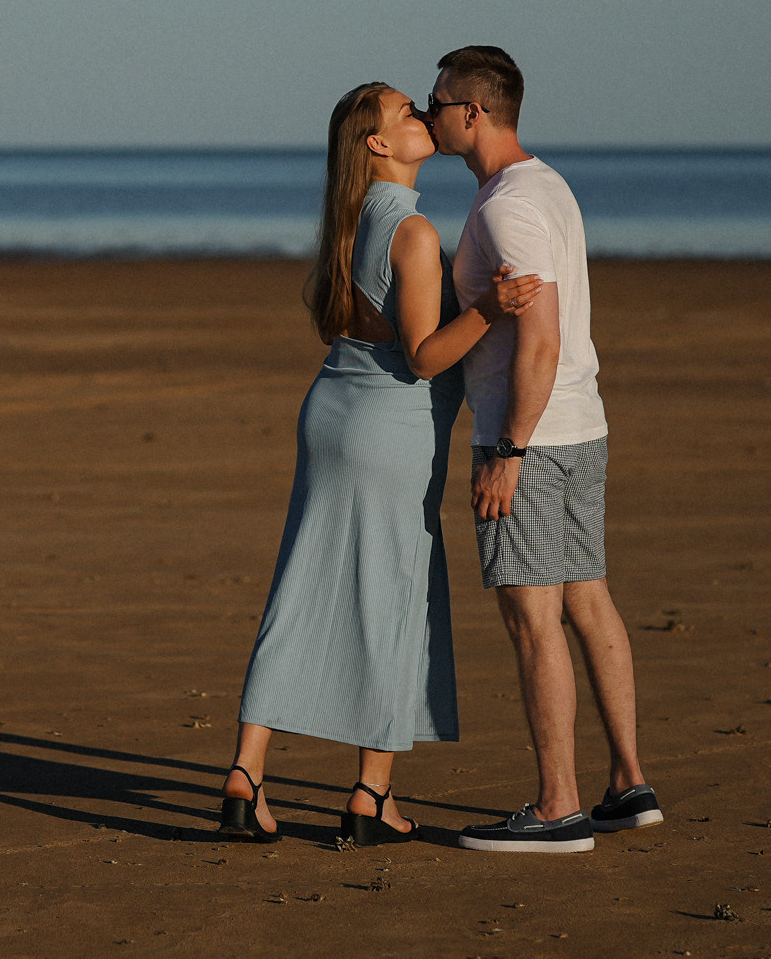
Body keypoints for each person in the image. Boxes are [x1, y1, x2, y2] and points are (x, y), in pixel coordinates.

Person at [221, 82, 540, 847]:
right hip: (389, 428)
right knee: (399, 600)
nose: (422, 118)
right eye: (406, 114)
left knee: (299, 591)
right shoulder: (415, 232)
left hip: (331, 408)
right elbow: (427, 358)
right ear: (376, 143)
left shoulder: (351, 219)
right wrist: (492, 310)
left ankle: (245, 776)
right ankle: (371, 796)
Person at [425, 45, 660, 854]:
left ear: (475, 112)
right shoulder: (543, 186)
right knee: (587, 600)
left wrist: (508, 451)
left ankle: (558, 807)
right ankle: (627, 783)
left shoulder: (505, 208)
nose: (430, 114)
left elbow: (541, 340)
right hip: (580, 427)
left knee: (535, 620)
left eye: (438, 101)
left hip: (534, 433)